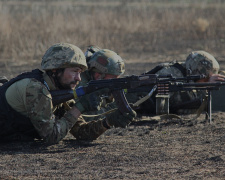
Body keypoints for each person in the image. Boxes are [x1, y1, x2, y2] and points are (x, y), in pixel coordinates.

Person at [0, 43, 136, 144]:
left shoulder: (62, 93)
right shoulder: (36, 89)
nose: (78, 78)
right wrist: (79, 107)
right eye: (74, 71)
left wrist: (108, 122)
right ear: (55, 70)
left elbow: (81, 132)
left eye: (80, 73)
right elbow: (51, 137)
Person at [126, 50, 225, 115]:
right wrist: (206, 90)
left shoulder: (187, 72)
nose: (207, 81)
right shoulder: (173, 75)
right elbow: (182, 105)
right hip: (137, 107)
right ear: (196, 72)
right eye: (206, 78)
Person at [75, 45, 125, 122]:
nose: (116, 81)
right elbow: (88, 117)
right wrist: (115, 109)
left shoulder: (98, 83)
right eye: (113, 78)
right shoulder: (79, 84)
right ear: (98, 76)